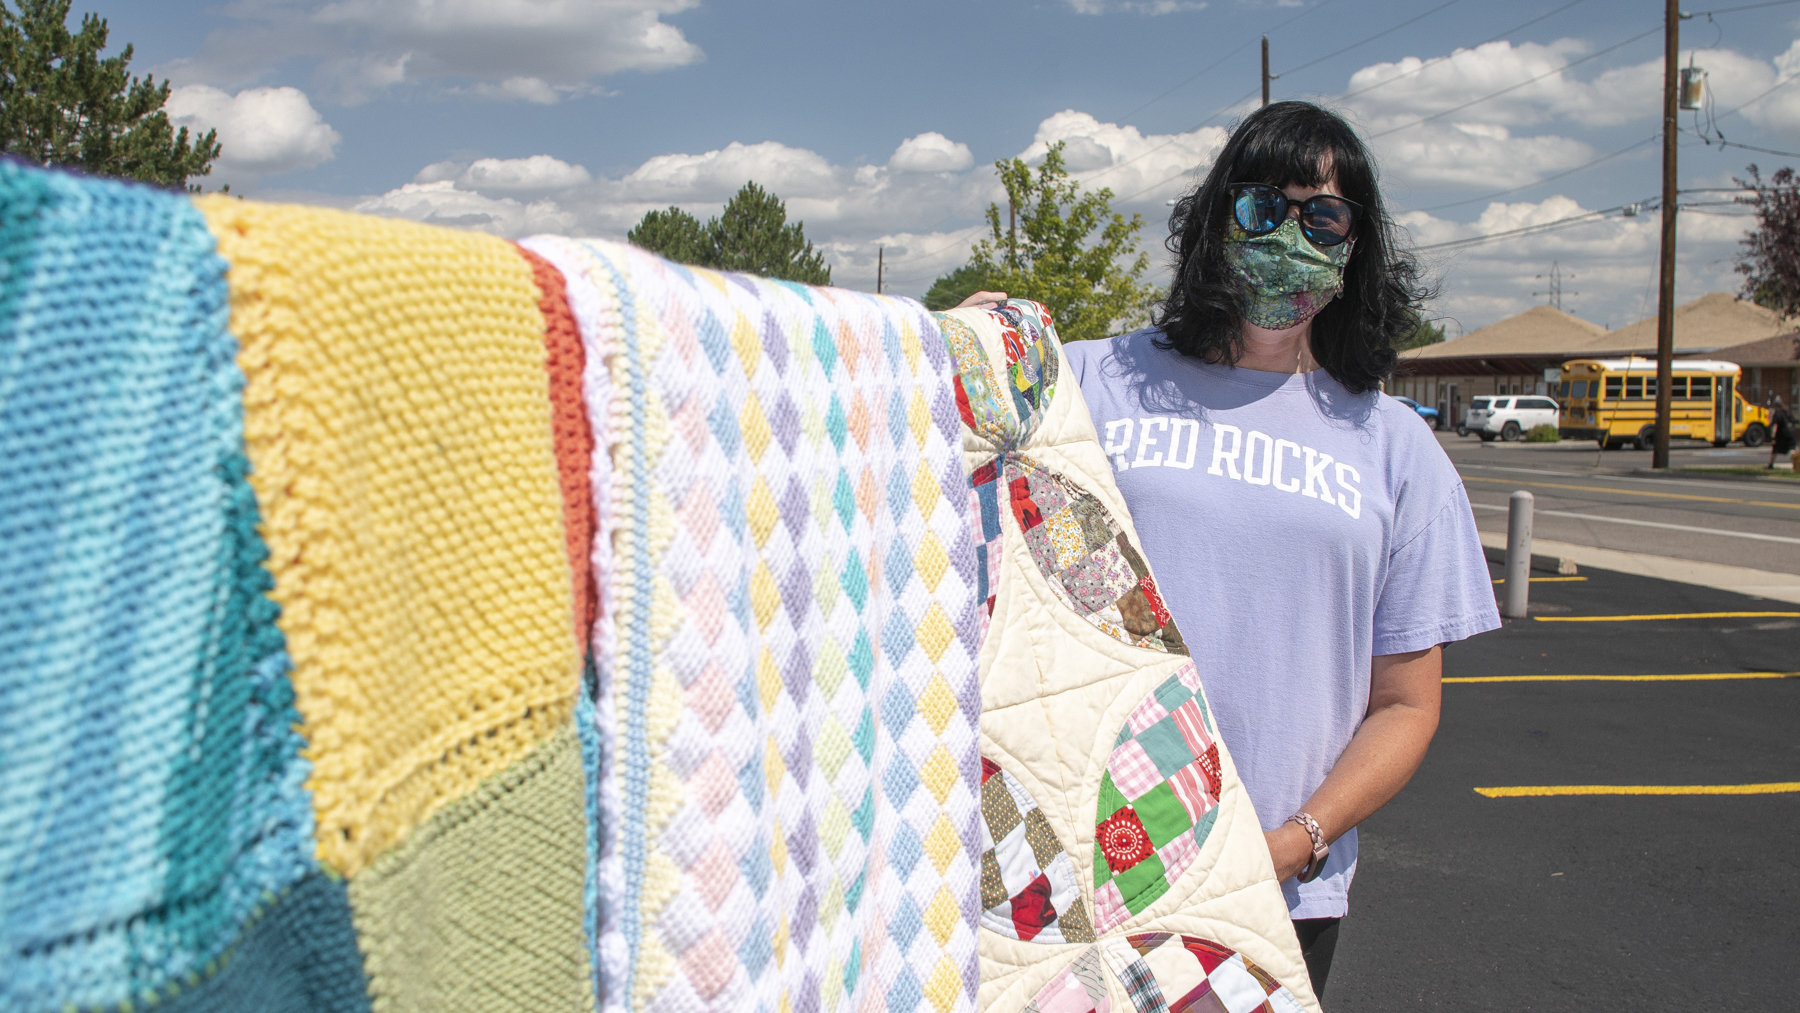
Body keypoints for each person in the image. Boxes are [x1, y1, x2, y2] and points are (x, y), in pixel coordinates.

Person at [962, 101, 1500, 999]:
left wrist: (1294, 842)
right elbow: (938, 446)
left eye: (1322, 216)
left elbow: (1406, 703)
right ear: (1216, 221)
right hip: (1069, 863)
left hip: (1270, 888)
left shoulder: (1395, 447)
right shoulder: (1094, 380)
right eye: (1262, 208)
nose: (1291, 234)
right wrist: (964, 346)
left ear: (1356, 245)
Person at [1767, 395, 1794, 469]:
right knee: (1792, 449)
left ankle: (1771, 465)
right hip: (1790, 434)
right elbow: (1793, 421)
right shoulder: (1787, 411)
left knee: (1775, 450)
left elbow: (1774, 425)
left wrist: (1772, 437)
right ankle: (1795, 464)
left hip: (1780, 434)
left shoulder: (1777, 413)